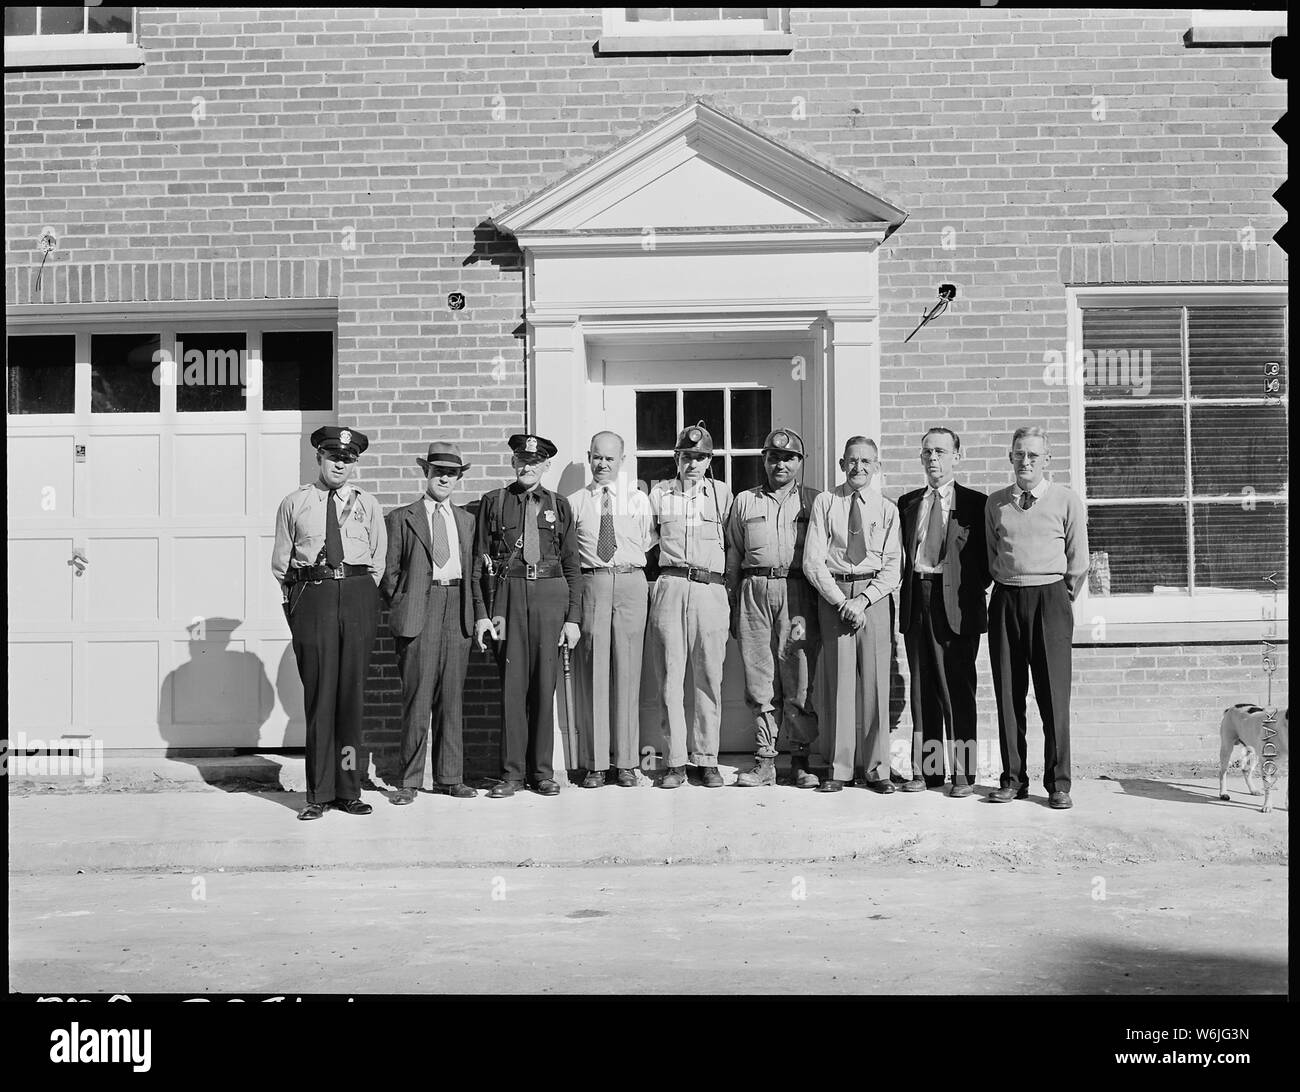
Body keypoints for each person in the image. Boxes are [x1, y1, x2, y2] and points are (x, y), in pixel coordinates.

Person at [271, 426, 386, 820]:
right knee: (320, 699)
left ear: (355, 463)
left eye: (348, 458)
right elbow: (281, 564)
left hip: (356, 595)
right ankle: (318, 794)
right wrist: (303, 605)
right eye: (333, 456)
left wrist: (360, 596)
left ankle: (348, 789)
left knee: (350, 700)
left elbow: (378, 560)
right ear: (319, 457)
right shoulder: (295, 503)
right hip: (314, 596)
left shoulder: (366, 504)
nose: (340, 463)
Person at [471, 433, 582, 798]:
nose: (527, 466)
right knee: (513, 686)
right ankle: (512, 774)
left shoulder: (559, 505)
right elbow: (479, 562)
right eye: (521, 459)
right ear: (513, 462)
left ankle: (542, 772)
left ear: (546, 465)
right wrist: (483, 613)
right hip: (509, 598)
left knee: (544, 685)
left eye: (535, 461)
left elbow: (571, 564)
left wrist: (573, 618)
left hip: (551, 596)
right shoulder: (494, 502)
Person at [984, 426, 1090, 810]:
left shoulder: (1065, 500)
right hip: (1007, 598)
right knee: (1009, 695)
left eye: (1032, 455)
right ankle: (1013, 779)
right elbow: (994, 552)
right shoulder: (995, 503)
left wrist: (1060, 597)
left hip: (1051, 600)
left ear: (1047, 459)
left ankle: (1058, 783)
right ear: (1010, 458)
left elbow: (1079, 561)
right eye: (1018, 454)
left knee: (1052, 697)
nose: (1024, 461)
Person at [381, 441, 479, 804]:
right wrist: (406, 601)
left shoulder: (466, 520)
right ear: (427, 473)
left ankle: (450, 778)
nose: (444, 478)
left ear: (458, 478)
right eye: (438, 471)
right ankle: (408, 781)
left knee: (452, 697)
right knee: (418, 698)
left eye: (451, 473)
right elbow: (389, 574)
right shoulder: (402, 517)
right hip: (420, 608)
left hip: (457, 605)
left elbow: (472, 573)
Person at [802, 436, 901, 794]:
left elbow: (893, 567)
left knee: (875, 682)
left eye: (866, 461)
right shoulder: (827, 503)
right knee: (839, 683)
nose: (858, 467)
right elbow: (813, 561)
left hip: (873, 599)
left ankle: (877, 769)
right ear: (842, 464)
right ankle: (840, 768)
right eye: (852, 461)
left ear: (877, 466)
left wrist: (863, 601)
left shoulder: (887, 509)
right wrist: (840, 599)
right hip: (835, 596)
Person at [726, 427, 822, 789]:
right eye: (773, 457)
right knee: (759, 677)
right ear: (764, 460)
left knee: (798, 675)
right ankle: (765, 760)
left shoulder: (815, 502)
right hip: (754, 589)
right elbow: (734, 553)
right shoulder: (745, 501)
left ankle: (800, 759)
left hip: (797, 591)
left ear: (800, 462)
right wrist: (733, 599)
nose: (780, 463)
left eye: (789, 458)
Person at [898, 428, 991, 798]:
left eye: (940, 451)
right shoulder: (907, 503)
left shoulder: (976, 504)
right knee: (923, 689)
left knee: (958, 689)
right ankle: (929, 773)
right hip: (918, 596)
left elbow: (987, 561)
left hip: (957, 603)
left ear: (956, 456)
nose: (932, 458)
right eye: (926, 452)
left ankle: (964, 775)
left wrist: (964, 589)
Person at [646, 422, 733, 788]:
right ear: (676, 459)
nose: (693, 463)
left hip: (710, 588)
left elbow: (735, 543)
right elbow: (644, 542)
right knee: (669, 678)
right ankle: (675, 762)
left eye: (700, 457)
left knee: (709, 676)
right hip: (671, 584)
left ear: (710, 460)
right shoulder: (659, 494)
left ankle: (707, 758)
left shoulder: (723, 495)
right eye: (686, 456)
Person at [566, 431, 654, 789]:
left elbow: (647, 539)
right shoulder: (574, 503)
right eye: (597, 457)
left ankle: (628, 762)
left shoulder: (637, 500)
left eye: (610, 459)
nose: (602, 464)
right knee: (594, 671)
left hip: (631, 581)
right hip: (594, 583)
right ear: (589, 457)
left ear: (622, 461)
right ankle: (597, 763)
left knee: (629, 672)